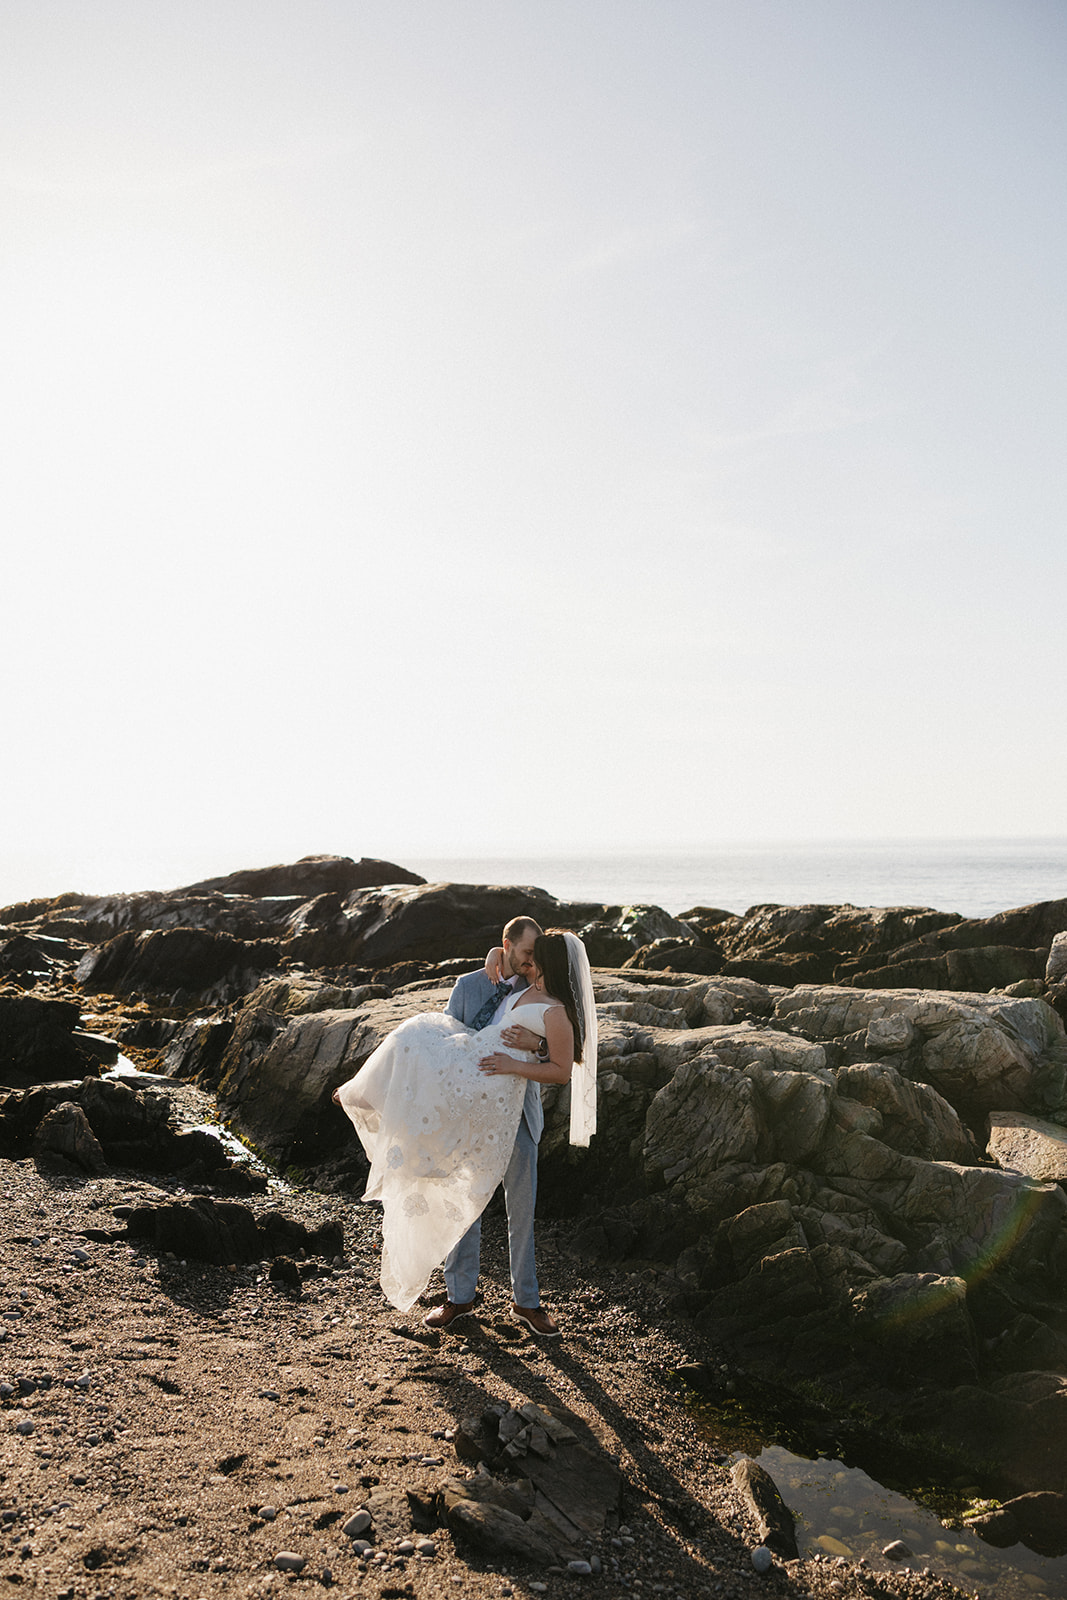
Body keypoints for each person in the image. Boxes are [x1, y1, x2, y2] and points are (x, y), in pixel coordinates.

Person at [335, 926, 597, 1338]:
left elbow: (562, 1054)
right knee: (461, 1199)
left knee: (522, 1212)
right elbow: (450, 1046)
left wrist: (537, 1047)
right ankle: (459, 1297)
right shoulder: (473, 984)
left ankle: (527, 1303)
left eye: (536, 954)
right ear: (507, 947)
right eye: (523, 952)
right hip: (468, 1111)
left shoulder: (540, 988)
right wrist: (496, 955)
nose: (529, 961)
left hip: (518, 1115)